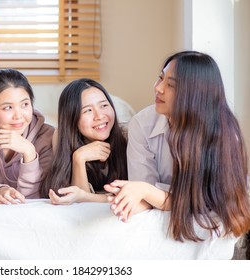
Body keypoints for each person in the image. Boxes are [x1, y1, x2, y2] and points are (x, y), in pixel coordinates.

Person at [105, 50, 250, 241]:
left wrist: (149, 192)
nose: (158, 88)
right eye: (161, 78)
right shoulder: (142, 124)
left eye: (170, 84)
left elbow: (213, 200)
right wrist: (147, 192)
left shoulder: (224, 132)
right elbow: (145, 197)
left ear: (194, 95)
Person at [41, 78, 144, 206]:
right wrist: (79, 158)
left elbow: (138, 195)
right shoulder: (62, 137)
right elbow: (79, 205)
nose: (100, 116)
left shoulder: (128, 135)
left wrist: (85, 196)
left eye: (104, 105)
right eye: (88, 110)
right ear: (72, 118)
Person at [0, 68, 54, 204]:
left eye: (24, 104)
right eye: (8, 107)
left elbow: (34, 199)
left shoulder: (47, 136)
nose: (18, 115)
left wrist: (29, 153)